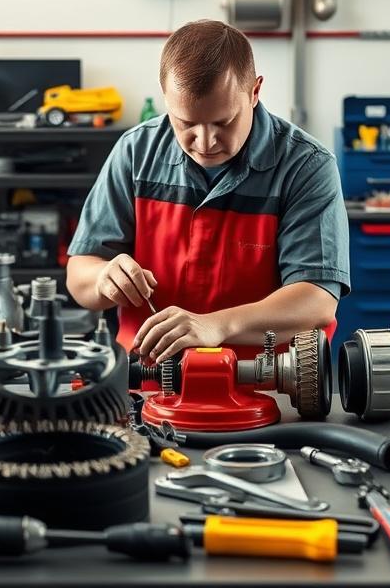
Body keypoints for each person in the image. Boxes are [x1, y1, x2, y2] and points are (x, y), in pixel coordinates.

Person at [66, 20, 349, 365]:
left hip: (266, 386)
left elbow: (317, 299)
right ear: (166, 98)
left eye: (222, 122)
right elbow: (80, 274)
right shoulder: (134, 152)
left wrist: (216, 326)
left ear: (255, 91)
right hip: (147, 385)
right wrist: (103, 279)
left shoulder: (306, 166)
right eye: (184, 123)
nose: (204, 142)